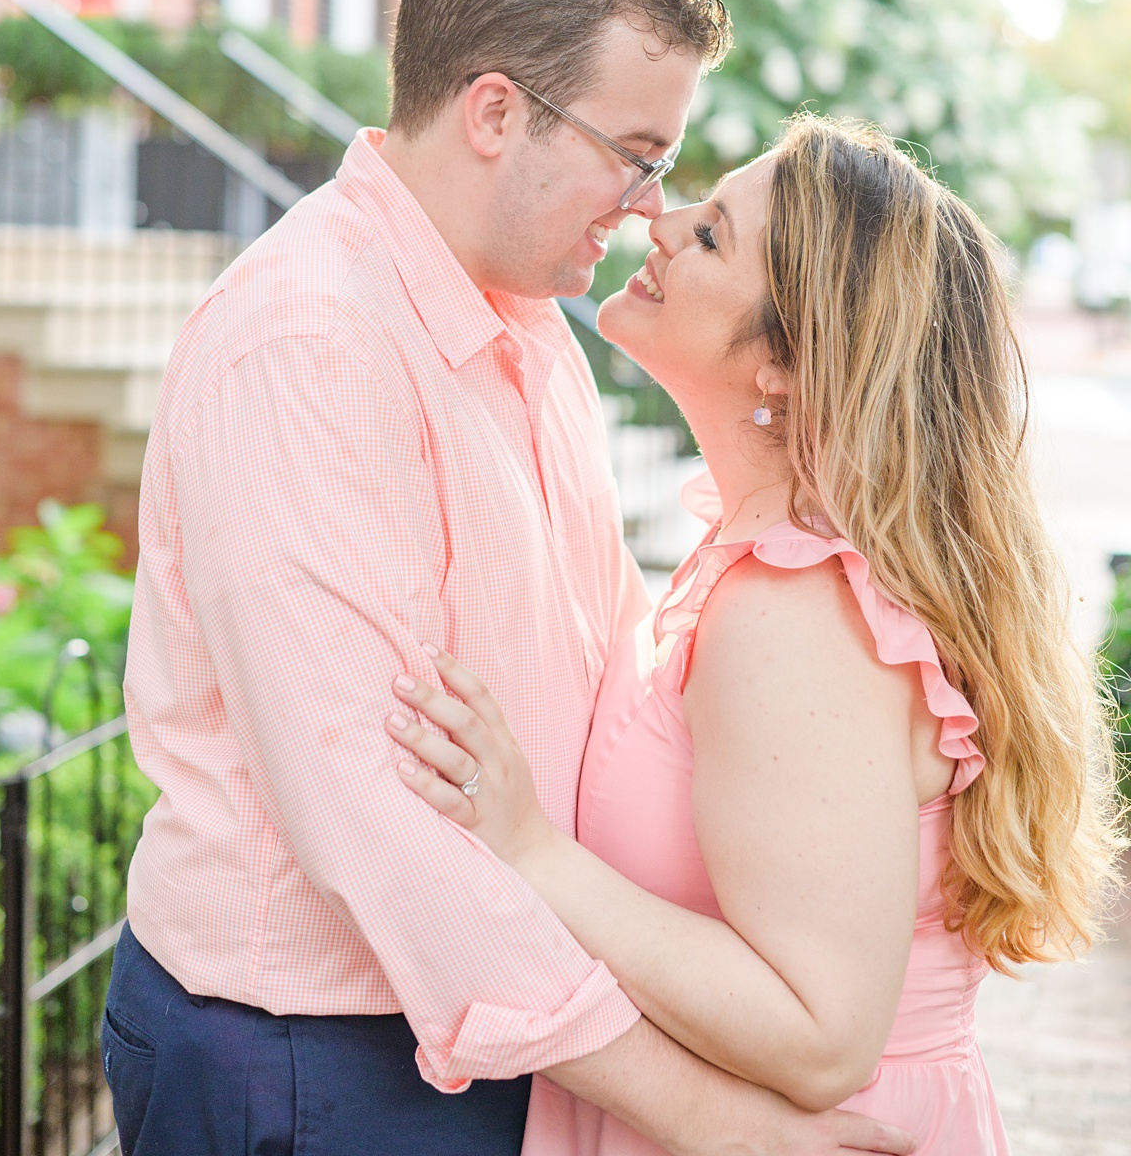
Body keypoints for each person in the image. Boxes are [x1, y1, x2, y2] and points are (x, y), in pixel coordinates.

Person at [103, 0, 916, 1156]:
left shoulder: (533, 334)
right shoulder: (310, 344)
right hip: (317, 1057)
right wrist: (717, 1118)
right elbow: (376, 828)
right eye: (635, 153)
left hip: (521, 1034)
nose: (651, 204)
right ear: (495, 112)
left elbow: (603, 678)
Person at [385, 116, 1124, 1154]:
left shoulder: (792, 615)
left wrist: (532, 850)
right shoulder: (757, 562)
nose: (659, 218)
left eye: (713, 237)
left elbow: (823, 1037)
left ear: (785, 360)